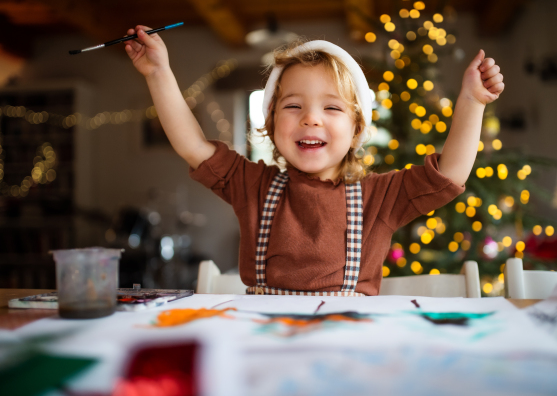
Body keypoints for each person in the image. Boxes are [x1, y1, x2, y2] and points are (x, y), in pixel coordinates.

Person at [124, 26, 504, 296]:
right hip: (264, 341)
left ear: (357, 129)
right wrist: (159, 72)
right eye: (293, 106)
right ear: (271, 124)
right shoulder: (252, 185)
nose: (311, 118)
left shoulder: (380, 197)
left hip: (346, 346)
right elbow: (191, 145)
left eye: (332, 107)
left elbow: (450, 174)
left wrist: (471, 101)